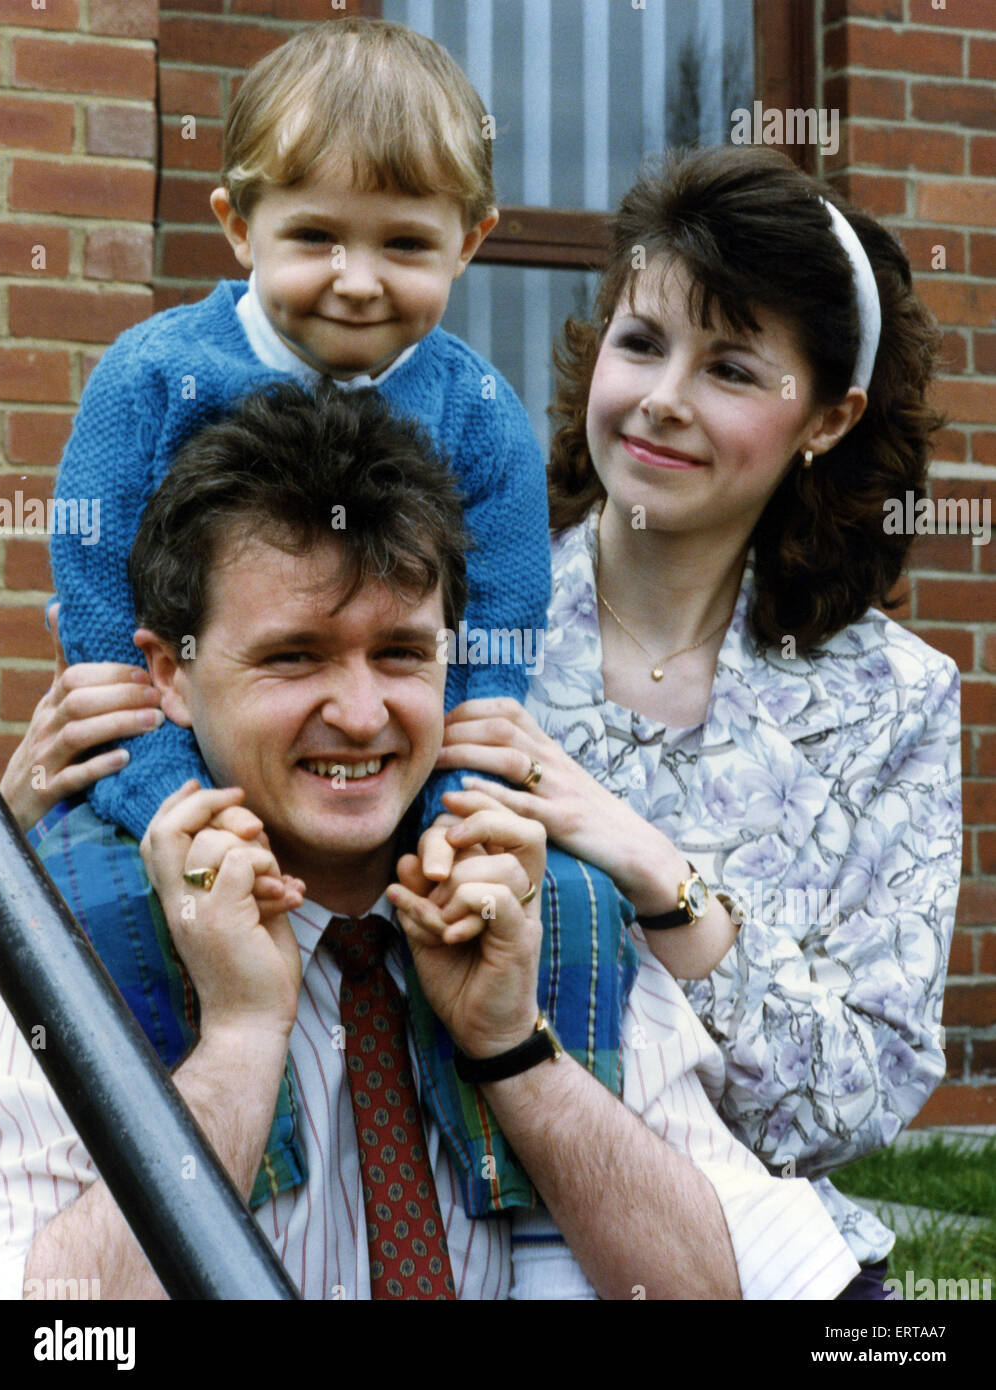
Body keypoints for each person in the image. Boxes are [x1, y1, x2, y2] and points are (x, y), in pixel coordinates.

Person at [0, 381, 859, 1301]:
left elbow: (708, 1294)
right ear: (170, 673)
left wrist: (513, 1049)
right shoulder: (67, 939)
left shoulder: (547, 908)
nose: (364, 715)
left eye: (401, 653)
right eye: (294, 656)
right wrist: (240, 1040)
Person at [435, 145, 961, 1295]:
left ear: (827, 416)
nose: (662, 398)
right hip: (450, 1237)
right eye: (640, 342)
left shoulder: (892, 701)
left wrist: (657, 877)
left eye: (728, 367)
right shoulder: (457, 620)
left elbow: (855, 1100)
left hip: (752, 1255)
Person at [48, 17, 549, 846]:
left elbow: (495, 646)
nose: (358, 282)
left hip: (381, 809)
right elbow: (101, 613)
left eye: (406, 244)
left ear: (468, 242)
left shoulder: (482, 415)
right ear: (241, 226)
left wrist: (451, 818)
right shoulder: (151, 376)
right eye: (317, 237)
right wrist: (173, 803)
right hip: (153, 796)